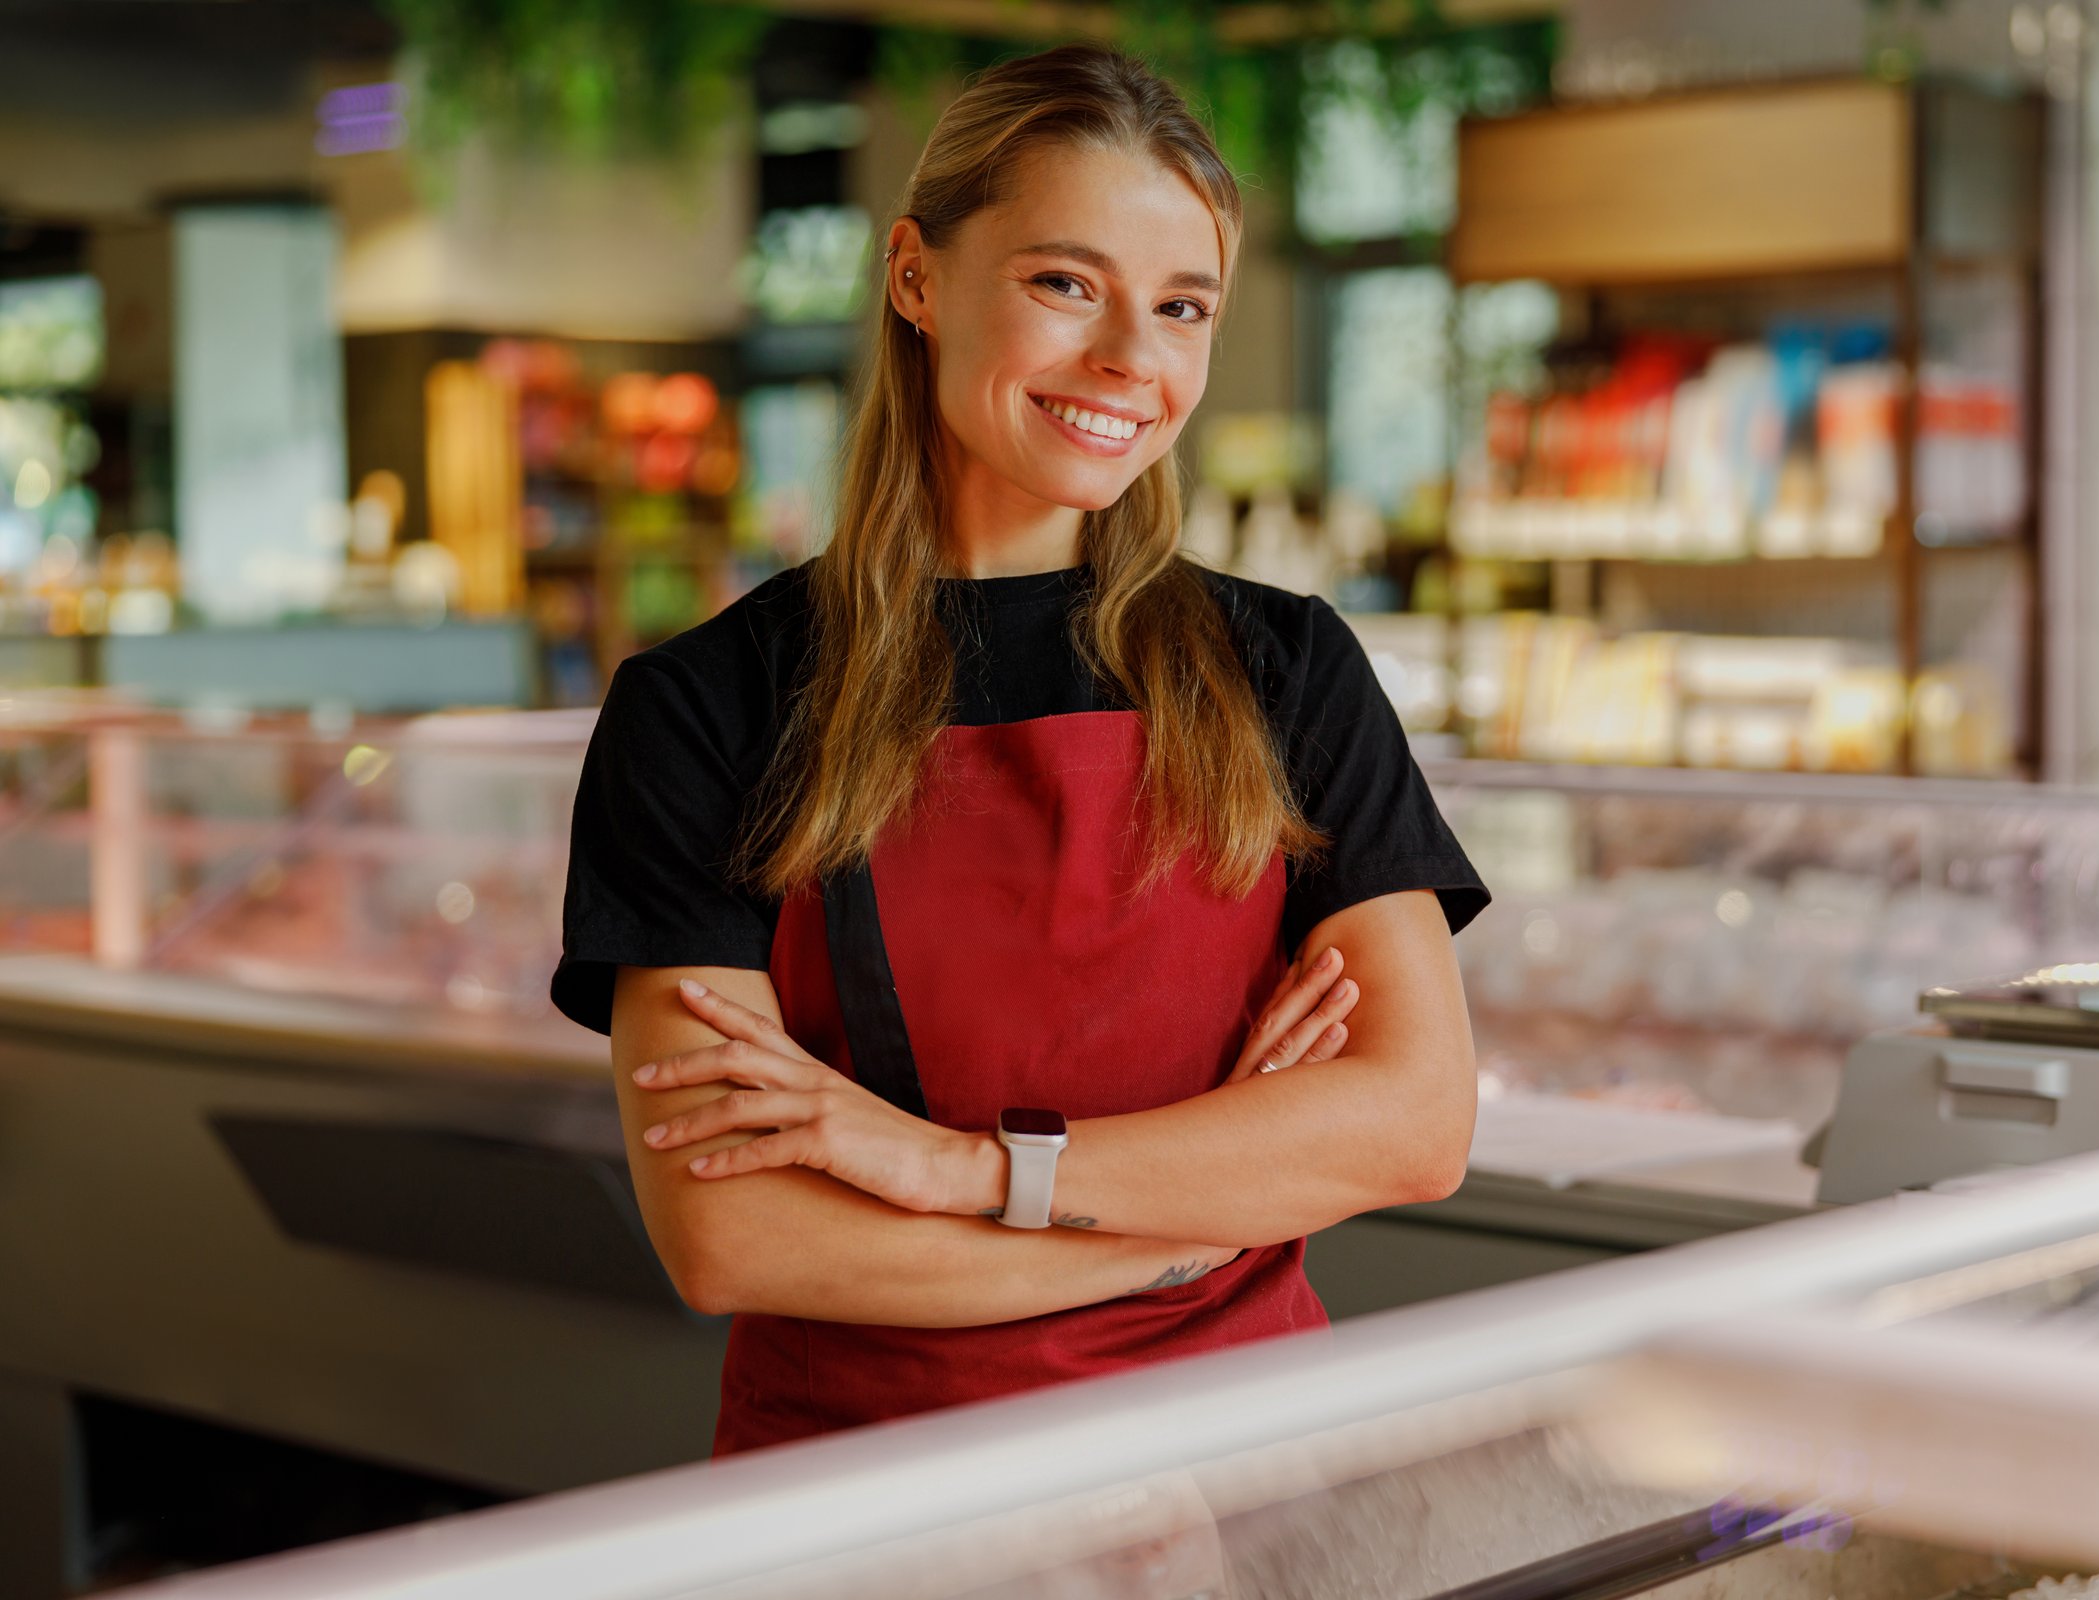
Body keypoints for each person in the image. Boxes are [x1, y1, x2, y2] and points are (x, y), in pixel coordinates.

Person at [550, 40, 1488, 1457]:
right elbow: (734, 1236)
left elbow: (1414, 1123)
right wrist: (1194, 1226)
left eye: (1183, 307)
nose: (1130, 359)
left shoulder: (1288, 672)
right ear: (917, 278)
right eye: (1067, 284)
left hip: (1249, 1482)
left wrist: (952, 1170)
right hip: (884, 1499)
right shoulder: (707, 708)